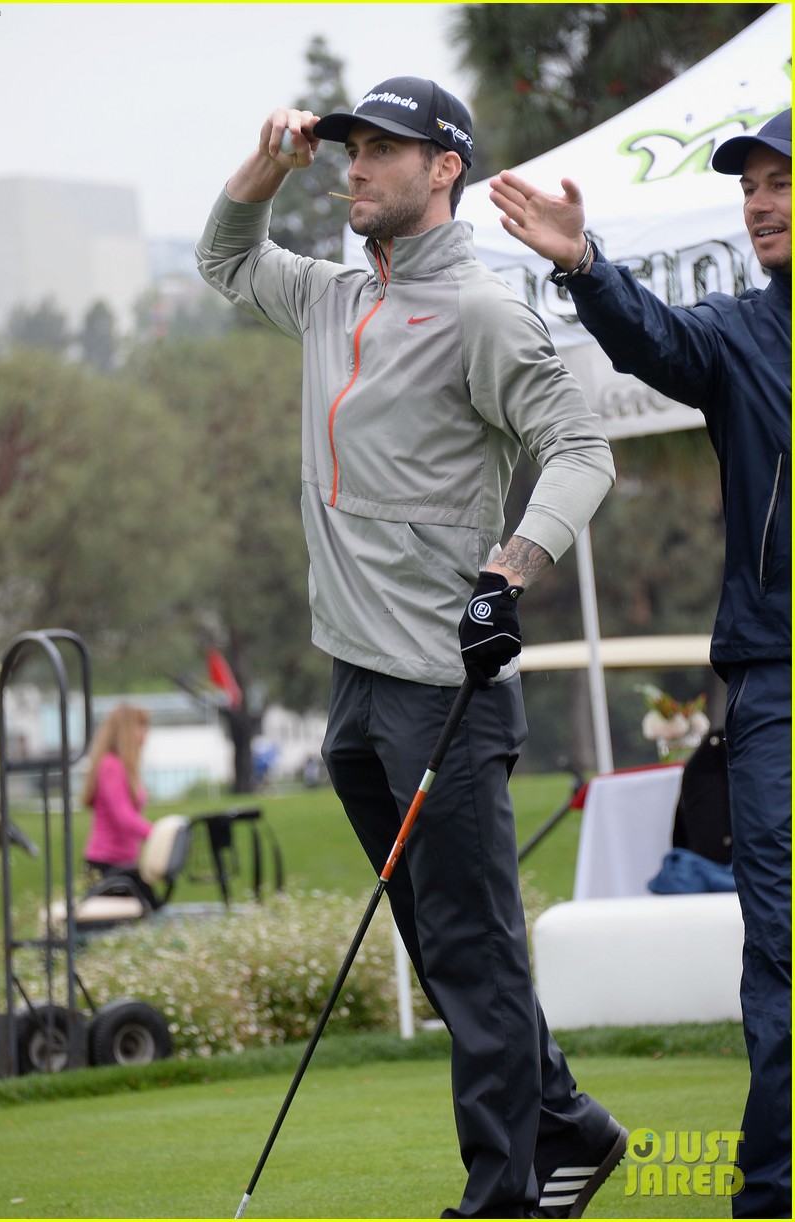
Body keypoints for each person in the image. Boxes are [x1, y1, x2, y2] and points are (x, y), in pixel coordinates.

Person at [197, 76, 623, 1218]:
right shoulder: (336, 296)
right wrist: (264, 167)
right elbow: (225, 260)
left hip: (446, 687)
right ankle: (571, 1121)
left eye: (383, 150)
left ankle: (506, 1188)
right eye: (350, 150)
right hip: (354, 677)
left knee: (473, 956)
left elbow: (580, 447)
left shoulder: (483, 312)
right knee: (443, 946)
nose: (357, 167)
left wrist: (510, 571)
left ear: (445, 170)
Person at [489, 109, 791, 1219]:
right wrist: (584, 267)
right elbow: (653, 341)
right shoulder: (737, 336)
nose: (757, 202)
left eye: (780, 182)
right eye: (749, 186)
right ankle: (773, 1194)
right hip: (777, 686)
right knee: (786, 948)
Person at [81, 703, 157, 907]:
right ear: (126, 732)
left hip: (124, 863)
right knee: (149, 910)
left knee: (147, 911)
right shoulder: (111, 766)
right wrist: (158, 833)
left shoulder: (123, 766)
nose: (145, 733)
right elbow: (123, 816)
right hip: (107, 865)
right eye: (141, 727)